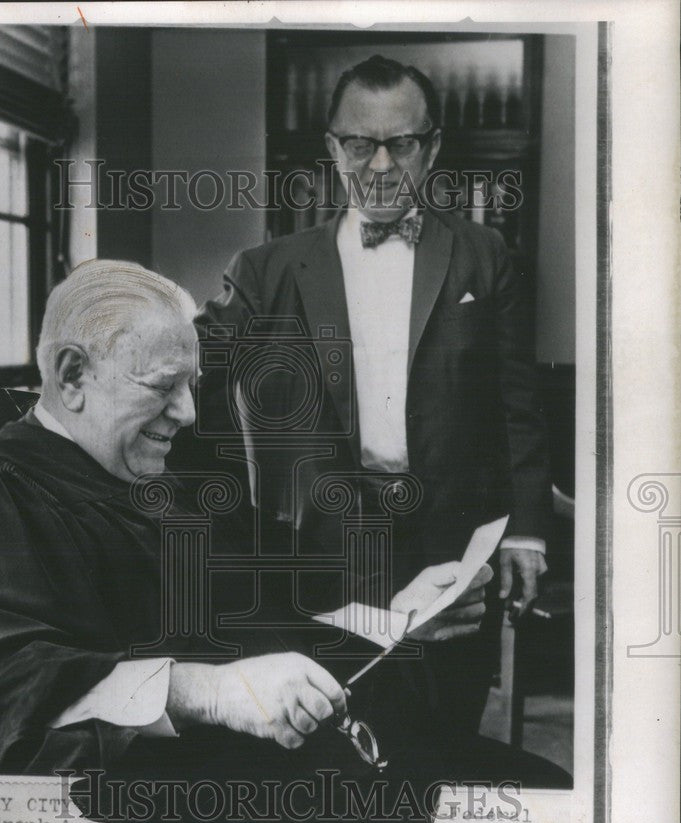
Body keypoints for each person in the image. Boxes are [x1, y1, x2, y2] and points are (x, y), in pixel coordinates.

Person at [0, 259, 490, 776]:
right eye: (163, 386)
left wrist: (393, 621)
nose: (187, 414)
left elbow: (263, 629)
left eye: (194, 386)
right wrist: (205, 692)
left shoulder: (164, 484)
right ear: (71, 376)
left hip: (301, 768)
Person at [174, 55, 552, 735]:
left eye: (400, 143)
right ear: (332, 148)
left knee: (444, 731)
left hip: (450, 546)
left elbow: (517, 407)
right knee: (333, 733)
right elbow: (185, 360)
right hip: (324, 549)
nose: (379, 166)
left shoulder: (483, 253)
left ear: (430, 146)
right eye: (359, 143)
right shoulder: (266, 270)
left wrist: (525, 531)